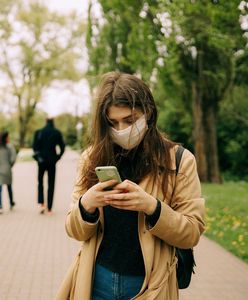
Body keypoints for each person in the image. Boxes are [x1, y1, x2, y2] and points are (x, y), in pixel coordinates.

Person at [56, 72, 205, 300]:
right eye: (113, 123)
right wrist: (86, 206)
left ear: (149, 113)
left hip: (150, 285)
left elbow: (191, 232)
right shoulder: (92, 158)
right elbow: (73, 230)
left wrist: (152, 207)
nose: (121, 129)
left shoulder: (179, 160)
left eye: (130, 120)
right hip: (97, 279)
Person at [32, 118, 65, 214]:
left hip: (41, 161)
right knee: (51, 184)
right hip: (52, 162)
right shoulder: (56, 133)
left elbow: (34, 147)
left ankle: (42, 204)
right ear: (53, 122)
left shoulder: (39, 132)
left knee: (40, 182)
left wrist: (38, 157)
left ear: (46, 122)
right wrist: (57, 157)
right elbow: (62, 147)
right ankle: (49, 208)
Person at [0, 131, 17, 213]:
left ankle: (0, 206)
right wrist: (10, 165)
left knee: (0, 189)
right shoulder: (10, 147)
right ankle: (11, 203)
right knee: (9, 187)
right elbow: (13, 158)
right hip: (7, 169)